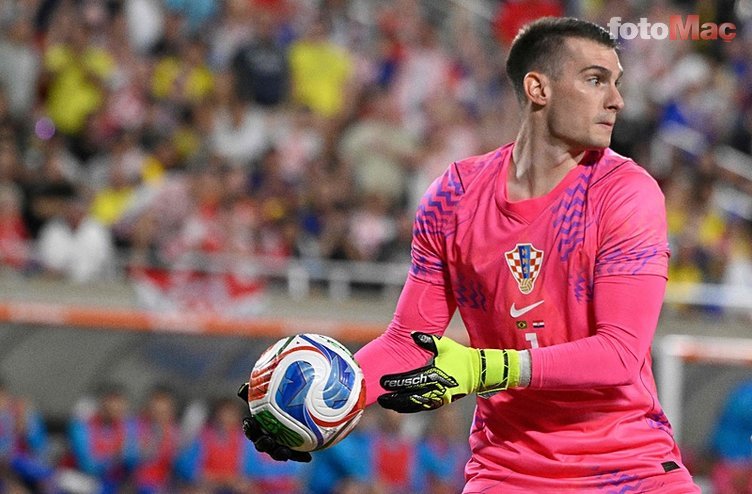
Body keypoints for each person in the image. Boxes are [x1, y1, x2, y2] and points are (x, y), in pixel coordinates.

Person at [239, 17, 701, 493]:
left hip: (629, 466)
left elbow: (619, 354)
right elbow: (409, 342)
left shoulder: (626, 193)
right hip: (509, 472)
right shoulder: (454, 196)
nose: (617, 100)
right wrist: (318, 400)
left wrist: (484, 369)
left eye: (616, 82)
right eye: (595, 79)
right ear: (538, 88)